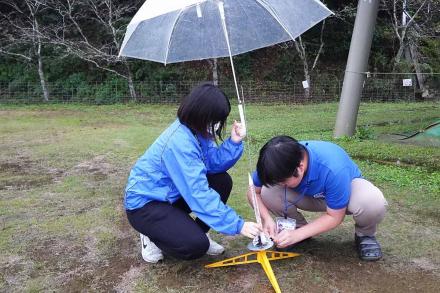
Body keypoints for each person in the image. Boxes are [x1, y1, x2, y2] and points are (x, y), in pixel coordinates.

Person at [124, 82, 262, 263]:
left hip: (172, 196)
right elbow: (197, 193)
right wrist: (238, 225)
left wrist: (234, 142)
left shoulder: (199, 131)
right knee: (195, 246)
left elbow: (212, 164)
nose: (219, 124)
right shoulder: (179, 143)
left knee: (222, 181)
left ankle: (199, 232)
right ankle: (151, 235)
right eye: (216, 119)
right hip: (146, 204)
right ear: (202, 114)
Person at [248, 136, 387, 261]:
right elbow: (253, 192)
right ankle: (296, 228)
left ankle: (365, 235)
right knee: (268, 191)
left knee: (372, 201)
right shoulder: (274, 164)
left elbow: (335, 217)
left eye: (284, 182)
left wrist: (297, 235)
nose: (281, 185)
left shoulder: (333, 167)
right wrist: (267, 219)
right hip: (307, 196)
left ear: (300, 167)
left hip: (345, 193)